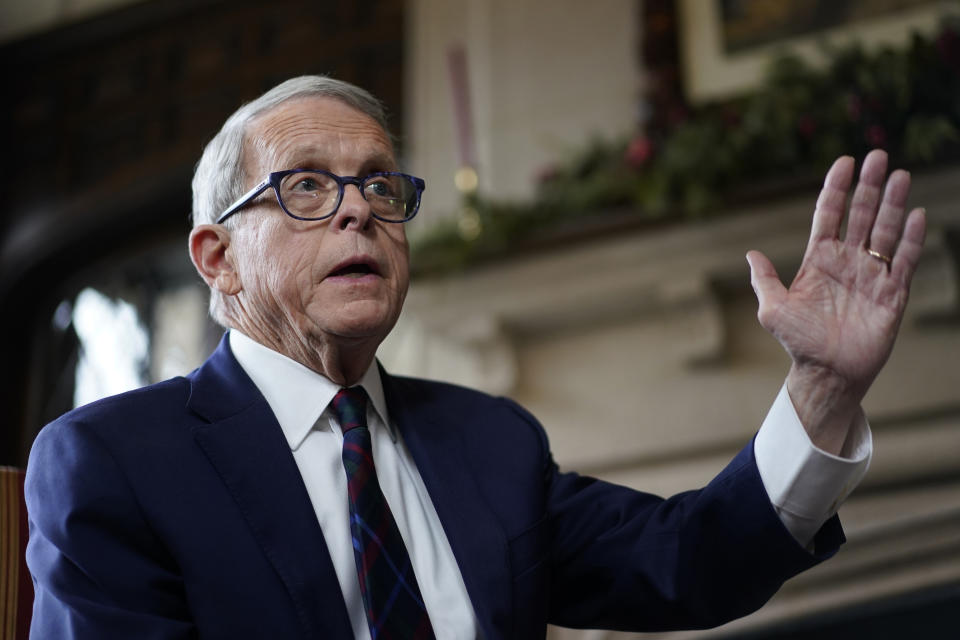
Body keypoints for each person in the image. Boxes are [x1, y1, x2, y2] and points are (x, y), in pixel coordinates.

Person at [25, 76, 926, 640]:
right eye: (306, 187)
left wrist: (822, 389)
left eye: (381, 184)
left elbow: (687, 561)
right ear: (217, 259)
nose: (358, 211)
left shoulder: (488, 440)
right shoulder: (113, 463)